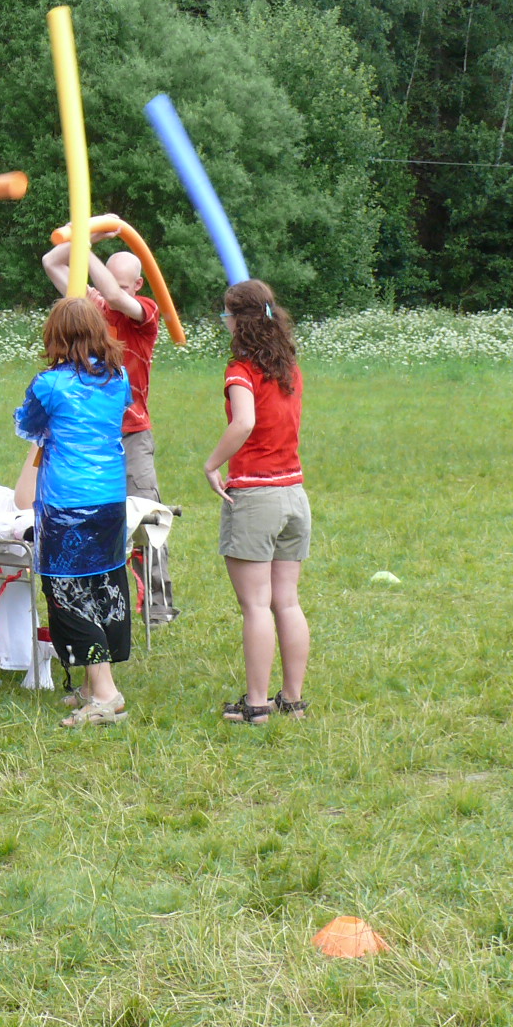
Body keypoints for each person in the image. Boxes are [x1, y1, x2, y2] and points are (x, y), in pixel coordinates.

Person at [42, 235, 180, 627]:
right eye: (106, 284)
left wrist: (85, 251)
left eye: (119, 285)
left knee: (148, 516)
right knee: (89, 517)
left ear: (138, 285)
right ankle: (94, 600)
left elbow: (117, 299)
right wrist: (84, 236)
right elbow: (51, 262)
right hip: (90, 438)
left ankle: (158, 606)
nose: (108, 293)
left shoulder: (144, 312)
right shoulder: (94, 308)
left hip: (132, 434)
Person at [14, 298, 133, 728]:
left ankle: (104, 694)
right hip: (111, 497)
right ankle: (90, 684)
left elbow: (27, 424)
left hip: (67, 503)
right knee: (103, 582)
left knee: (68, 593)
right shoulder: (119, 378)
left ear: (56, 337)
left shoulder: (49, 384)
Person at [202, 279, 311, 726]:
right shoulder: (289, 367)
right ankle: (293, 700)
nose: (224, 322)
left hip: (255, 495)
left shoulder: (240, 369)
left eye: (226, 314)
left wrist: (212, 464)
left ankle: (257, 704)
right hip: (294, 495)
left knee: (256, 605)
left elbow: (244, 421)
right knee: (287, 602)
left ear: (238, 320)